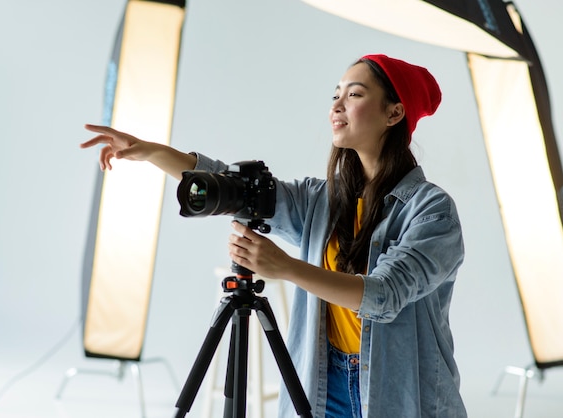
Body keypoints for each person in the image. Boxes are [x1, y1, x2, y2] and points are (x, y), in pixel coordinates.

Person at [81, 53, 467, 418]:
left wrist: (286, 268)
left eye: (354, 94)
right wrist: (154, 153)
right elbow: (242, 191)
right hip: (323, 379)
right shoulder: (325, 199)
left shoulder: (432, 211)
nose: (337, 105)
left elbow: (385, 295)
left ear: (394, 113)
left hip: (398, 391)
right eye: (335, 95)